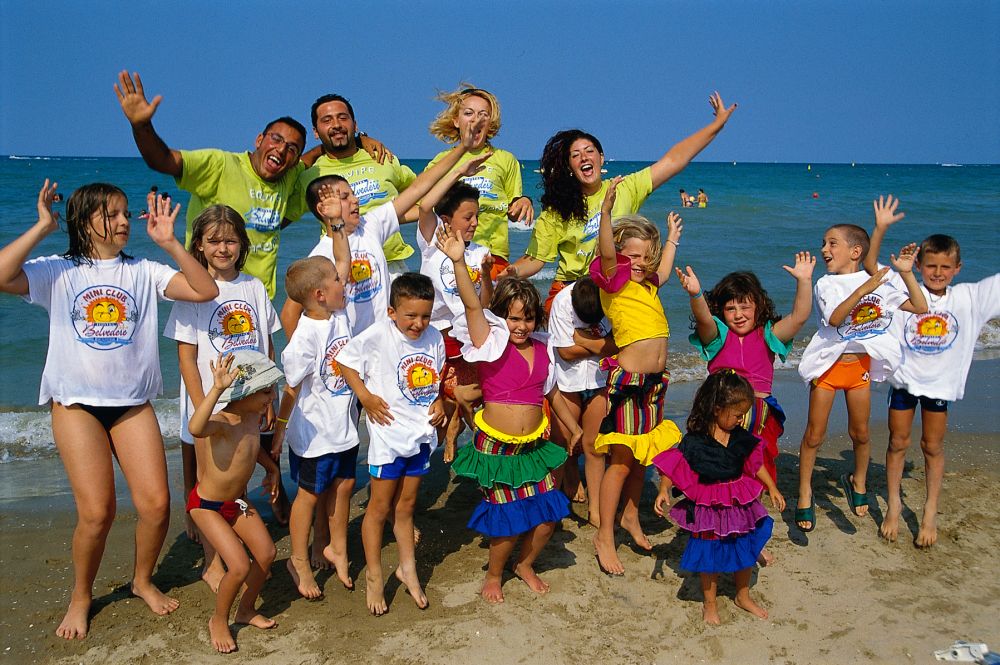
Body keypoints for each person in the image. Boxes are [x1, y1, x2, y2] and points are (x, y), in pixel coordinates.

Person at [0, 181, 218, 639]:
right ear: (85, 222)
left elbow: (204, 290)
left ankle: (141, 580)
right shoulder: (58, 271)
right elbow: (2, 275)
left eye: (125, 213)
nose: (124, 222)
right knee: (97, 512)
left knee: (157, 505)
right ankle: (81, 595)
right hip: (76, 405)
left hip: (132, 405)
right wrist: (42, 226)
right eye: (113, 215)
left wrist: (171, 242)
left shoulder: (143, 271)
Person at [438, 223, 582, 603]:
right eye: (515, 318)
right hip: (497, 448)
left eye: (528, 319)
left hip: (533, 447)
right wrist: (458, 262)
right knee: (507, 519)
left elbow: (551, 391)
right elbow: (472, 304)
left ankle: (526, 563)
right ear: (503, 317)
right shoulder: (491, 340)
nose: (522, 326)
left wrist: (573, 428)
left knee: (549, 515)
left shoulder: (543, 346)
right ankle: (494, 574)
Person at [508, 92, 737, 311]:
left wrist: (717, 126)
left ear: (601, 158)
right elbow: (535, 261)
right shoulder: (558, 211)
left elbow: (675, 159)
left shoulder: (624, 188)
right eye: (575, 155)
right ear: (569, 167)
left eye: (589, 151)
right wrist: (506, 272)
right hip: (571, 291)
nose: (584, 157)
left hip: (615, 288)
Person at [864, 195, 1000, 547]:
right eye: (931, 266)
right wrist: (879, 228)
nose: (937, 273)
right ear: (920, 265)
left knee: (932, 447)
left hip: (940, 386)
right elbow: (869, 267)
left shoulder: (969, 297)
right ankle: (894, 507)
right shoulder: (904, 289)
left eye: (945, 267)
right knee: (897, 443)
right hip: (905, 382)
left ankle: (928, 513)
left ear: (957, 268)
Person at [162, 205, 285, 590]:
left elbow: (266, 344)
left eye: (231, 240)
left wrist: (271, 396)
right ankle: (213, 561)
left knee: (239, 473)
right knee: (206, 481)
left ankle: (233, 544)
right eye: (213, 241)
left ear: (242, 244)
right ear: (198, 245)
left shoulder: (253, 287)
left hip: (250, 401)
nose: (223, 248)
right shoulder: (191, 289)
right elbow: (185, 357)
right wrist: (205, 403)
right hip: (207, 400)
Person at [280, 114, 488, 337]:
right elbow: (289, 314)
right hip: (353, 351)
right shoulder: (320, 256)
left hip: (385, 343)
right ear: (323, 209)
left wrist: (462, 152)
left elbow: (418, 189)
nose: (355, 200)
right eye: (344, 197)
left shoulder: (370, 226)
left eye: (353, 194)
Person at [115, 70, 305, 299]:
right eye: (276, 139)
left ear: (295, 161)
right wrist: (141, 126)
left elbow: (315, 158)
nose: (282, 150)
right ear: (259, 140)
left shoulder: (290, 176)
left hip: (257, 299)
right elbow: (163, 160)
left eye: (292, 149)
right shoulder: (221, 165)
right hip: (206, 294)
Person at [794, 223, 927, 532]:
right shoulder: (826, 285)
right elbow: (837, 318)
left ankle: (859, 481)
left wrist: (906, 273)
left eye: (832, 244)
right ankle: (804, 492)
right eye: (823, 243)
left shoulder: (880, 282)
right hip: (828, 367)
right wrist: (865, 290)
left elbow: (919, 307)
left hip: (860, 368)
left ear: (855, 252)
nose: (824, 250)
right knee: (814, 434)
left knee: (861, 433)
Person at [588, 180, 683, 575]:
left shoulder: (646, 284)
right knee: (622, 462)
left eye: (646, 256)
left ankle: (630, 516)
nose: (640, 263)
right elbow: (609, 254)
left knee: (642, 456)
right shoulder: (616, 280)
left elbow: (662, 269)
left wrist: (673, 239)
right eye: (633, 256)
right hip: (627, 383)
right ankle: (604, 535)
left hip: (654, 383)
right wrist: (606, 214)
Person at [338, 273, 447, 615]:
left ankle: (407, 569)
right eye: (410, 316)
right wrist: (365, 397)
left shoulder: (435, 339)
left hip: (420, 435)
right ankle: (374, 574)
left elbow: (436, 378)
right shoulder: (378, 335)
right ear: (391, 311)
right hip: (388, 437)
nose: (419, 323)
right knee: (379, 508)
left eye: (425, 315)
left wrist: (441, 401)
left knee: (407, 507)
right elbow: (344, 362)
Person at [271, 204, 357, 599]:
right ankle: (298, 561)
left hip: (343, 427)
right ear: (321, 294)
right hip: (313, 436)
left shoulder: (338, 312)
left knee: (344, 485)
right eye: (339, 281)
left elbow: (342, 259)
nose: (346, 281)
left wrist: (337, 224)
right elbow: (290, 389)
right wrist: (279, 431)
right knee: (308, 496)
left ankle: (337, 547)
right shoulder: (304, 338)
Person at [652, 372, 785, 625]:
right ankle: (710, 603)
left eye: (743, 414)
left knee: (745, 546)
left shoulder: (741, 438)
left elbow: (755, 465)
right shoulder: (694, 441)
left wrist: (772, 487)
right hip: (708, 505)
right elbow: (675, 465)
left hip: (738, 502)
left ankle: (742, 596)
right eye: (736, 415)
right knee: (709, 552)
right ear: (716, 409)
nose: (740, 420)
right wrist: (663, 490)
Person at [675, 254, 816, 485]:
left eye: (745, 307)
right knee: (716, 461)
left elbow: (799, 317)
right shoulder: (717, 335)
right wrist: (696, 295)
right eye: (731, 308)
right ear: (721, 311)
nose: (738, 315)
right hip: (719, 411)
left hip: (758, 411)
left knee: (757, 460)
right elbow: (703, 319)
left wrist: (804, 281)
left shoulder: (769, 334)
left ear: (759, 306)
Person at [186, 351, 283, 653]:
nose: (271, 396)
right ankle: (219, 619)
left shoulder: (253, 417)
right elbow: (195, 428)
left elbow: (251, 448)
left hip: (237, 503)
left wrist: (271, 468)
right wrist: (215, 389)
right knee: (239, 566)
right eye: (266, 391)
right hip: (207, 506)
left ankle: (246, 609)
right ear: (248, 390)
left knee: (266, 554)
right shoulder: (222, 421)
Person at [416, 158, 495, 462]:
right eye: (468, 217)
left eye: (477, 216)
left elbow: (484, 305)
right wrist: (459, 172)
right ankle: (435, 445)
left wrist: (487, 275)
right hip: (434, 336)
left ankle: (454, 436)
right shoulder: (432, 241)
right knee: (432, 404)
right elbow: (426, 206)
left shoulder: (480, 253)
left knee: (466, 397)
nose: (475, 222)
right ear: (448, 220)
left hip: (466, 339)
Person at [294, 93, 417, 279]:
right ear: (316, 132)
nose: (336, 125)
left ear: (355, 124)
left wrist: (391, 219)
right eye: (327, 120)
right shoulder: (310, 176)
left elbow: (421, 194)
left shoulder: (382, 157)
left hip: (393, 267)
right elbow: (281, 215)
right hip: (341, 270)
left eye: (343, 118)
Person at [424, 84, 533, 279]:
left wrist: (523, 201)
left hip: (493, 256)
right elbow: (423, 207)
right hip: (451, 250)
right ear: (456, 121)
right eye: (468, 113)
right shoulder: (441, 162)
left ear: (490, 123)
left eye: (483, 114)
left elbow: (514, 210)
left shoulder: (505, 159)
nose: (476, 119)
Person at [546, 276, 616, 525]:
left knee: (595, 447)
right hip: (566, 382)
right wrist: (601, 345)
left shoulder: (610, 297)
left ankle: (595, 510)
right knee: (561, 445)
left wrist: (583, 340)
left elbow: (617, 345)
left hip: (599, 380)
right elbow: (565, 351)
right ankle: (552, 509)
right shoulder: (562, 302)